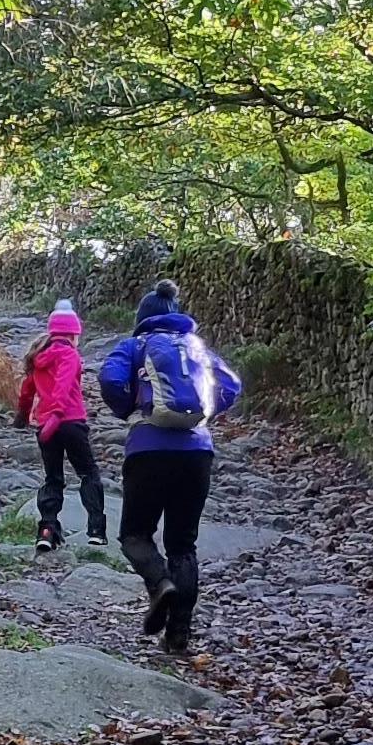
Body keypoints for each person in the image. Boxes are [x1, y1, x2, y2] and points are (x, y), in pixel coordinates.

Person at [97, 279, 241, 654]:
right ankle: (178, 635)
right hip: (197, 452)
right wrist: (204, 413)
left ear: (142, 317)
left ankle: (160, 583)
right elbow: (231, 385)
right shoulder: (198, 348)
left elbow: (110, 379)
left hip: (147, 448)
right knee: (183, 544)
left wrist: (129, 407)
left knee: (135, 535)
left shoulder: (135, 345)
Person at [15, 299, 106, 551]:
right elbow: (64, 384)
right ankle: (96, 530)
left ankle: (46, 530)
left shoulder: (38, 357)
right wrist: (57, 414)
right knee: (88, 473)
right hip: (71, 422)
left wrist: (22, 416)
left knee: (53, 478)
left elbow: (26, 390)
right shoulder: (70, 355)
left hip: (45, 428)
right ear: (74, 334)